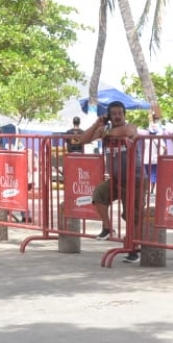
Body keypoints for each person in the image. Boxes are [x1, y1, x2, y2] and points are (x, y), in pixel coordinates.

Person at [75, 100, 143, 264]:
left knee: (132, 215)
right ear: (109, 116)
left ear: (124, 114)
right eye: (114, 114)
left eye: (120, 113)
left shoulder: (128, 127)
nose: (118, 116)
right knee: (99, 194)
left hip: (136, 178)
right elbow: (82, 140)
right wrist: (97, 124)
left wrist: (106, 132)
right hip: (115, 179)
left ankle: (134, 249)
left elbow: (129, 131)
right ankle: (107, 227)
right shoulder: (104, 128)